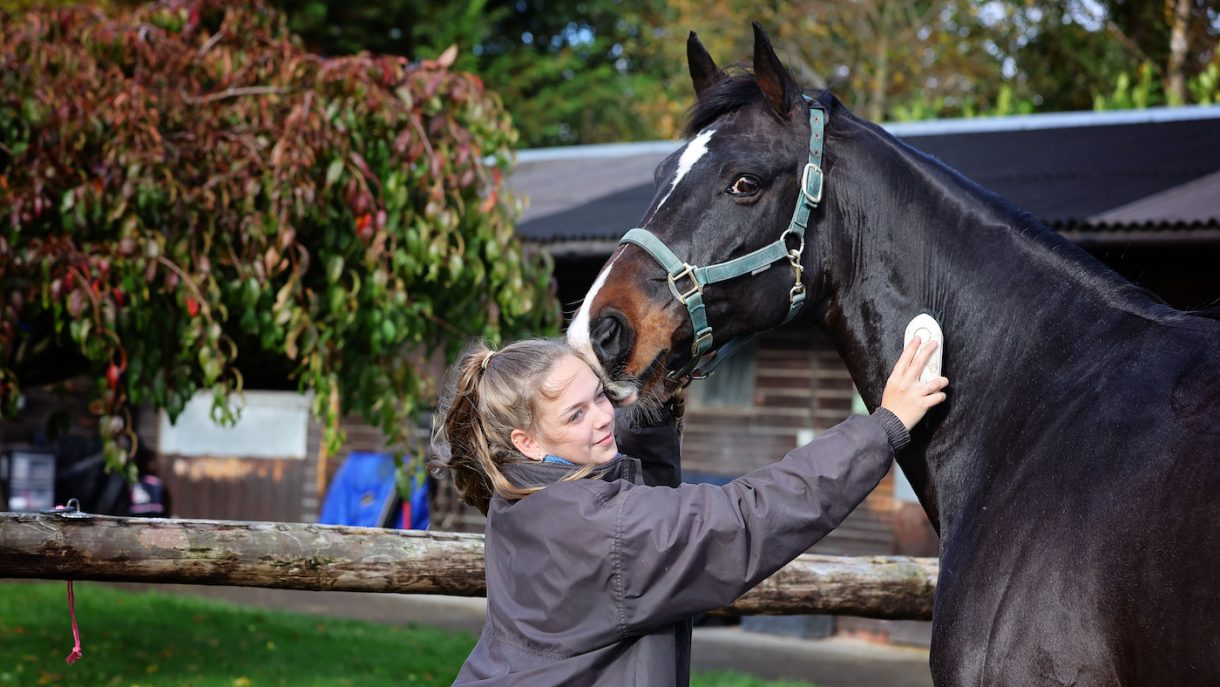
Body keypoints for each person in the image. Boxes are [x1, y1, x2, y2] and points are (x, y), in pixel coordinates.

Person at [430, 334, 948, 686]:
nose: (602, 417)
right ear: (527, 441)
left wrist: (651, 406)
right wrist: (882, 428)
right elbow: (744, 518)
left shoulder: (520, 496)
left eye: (600, 396)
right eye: (575, 413)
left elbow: (645, 513)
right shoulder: (604, 532)